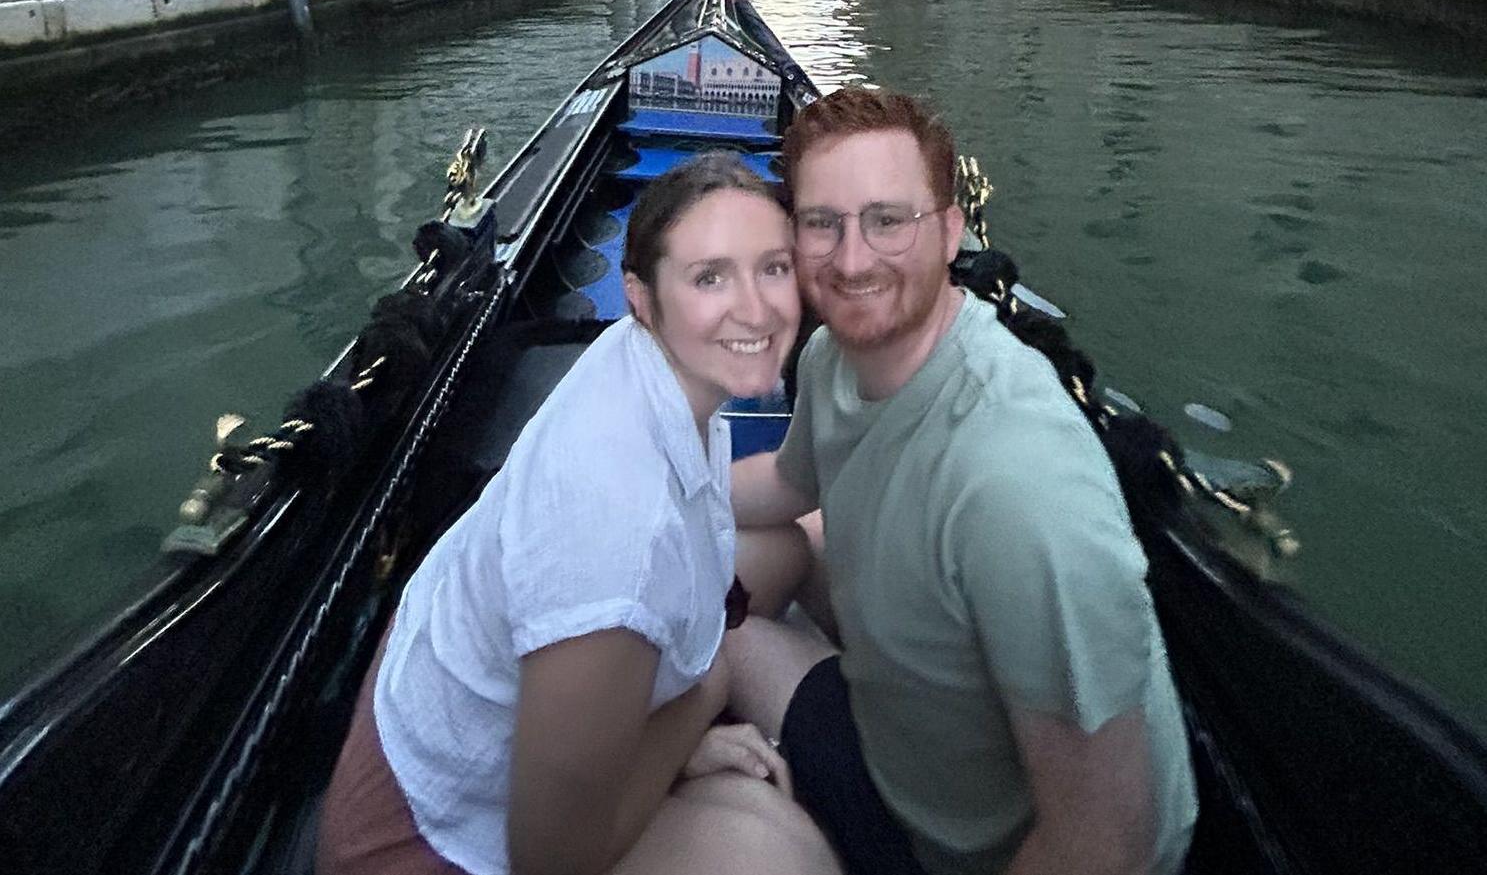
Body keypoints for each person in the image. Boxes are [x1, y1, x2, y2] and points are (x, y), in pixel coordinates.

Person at [318, 153, 843, 875]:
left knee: (784, 550)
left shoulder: (659, 371)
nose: (755, 307)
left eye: (772, 268)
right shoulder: (613, 534)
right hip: (430, 840)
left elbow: (753, 497)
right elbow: (551, 860)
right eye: (709, 276)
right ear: (640, 295)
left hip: (466, 706)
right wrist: (703, 699)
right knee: (781, 852)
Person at [727, 88, 1198, 875]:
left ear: (950, 232)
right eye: (823, 223)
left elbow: (1105, 848)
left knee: (716, 637)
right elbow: (787, 480)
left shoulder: (1019, 484)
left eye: (887, 220)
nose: (850, 260)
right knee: (733, 571)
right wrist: (661, 493)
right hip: (899, 742)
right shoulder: (828, 360)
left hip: (966, 852)